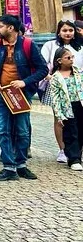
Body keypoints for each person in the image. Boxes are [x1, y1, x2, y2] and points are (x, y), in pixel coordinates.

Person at [0, 14, 48, 181]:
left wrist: (25, 82)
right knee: (2, 130)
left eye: (0, 26)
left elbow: (43, 69)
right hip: (0, 93)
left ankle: (21, 165)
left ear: (10, 28)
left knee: (22, 131)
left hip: (21, 94)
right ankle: (8, 167)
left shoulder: (28, 45)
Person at [40, 19, 83, 164]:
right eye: (64, 30)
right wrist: (49, 77)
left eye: (71, 30)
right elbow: (42, 64)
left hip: (77, 87)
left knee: (78, 119)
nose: (68, 33)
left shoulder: (80, 47)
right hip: (58, 85)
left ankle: (77, 150)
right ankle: (63, 149)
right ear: (59, 32)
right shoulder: (50, 45)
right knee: (60, 118)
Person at [46, 47, 83, 171]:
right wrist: (59, 114)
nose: (71, 60)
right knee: (71, 132)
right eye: (68, 58)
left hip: (80, 105)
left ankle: (78, 154)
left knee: (80, 131)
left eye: (72, 57)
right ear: (59, 61)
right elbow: (55, 98)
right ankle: (73, 159)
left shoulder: (78, 72)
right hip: (67, 107)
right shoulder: (56, 77)